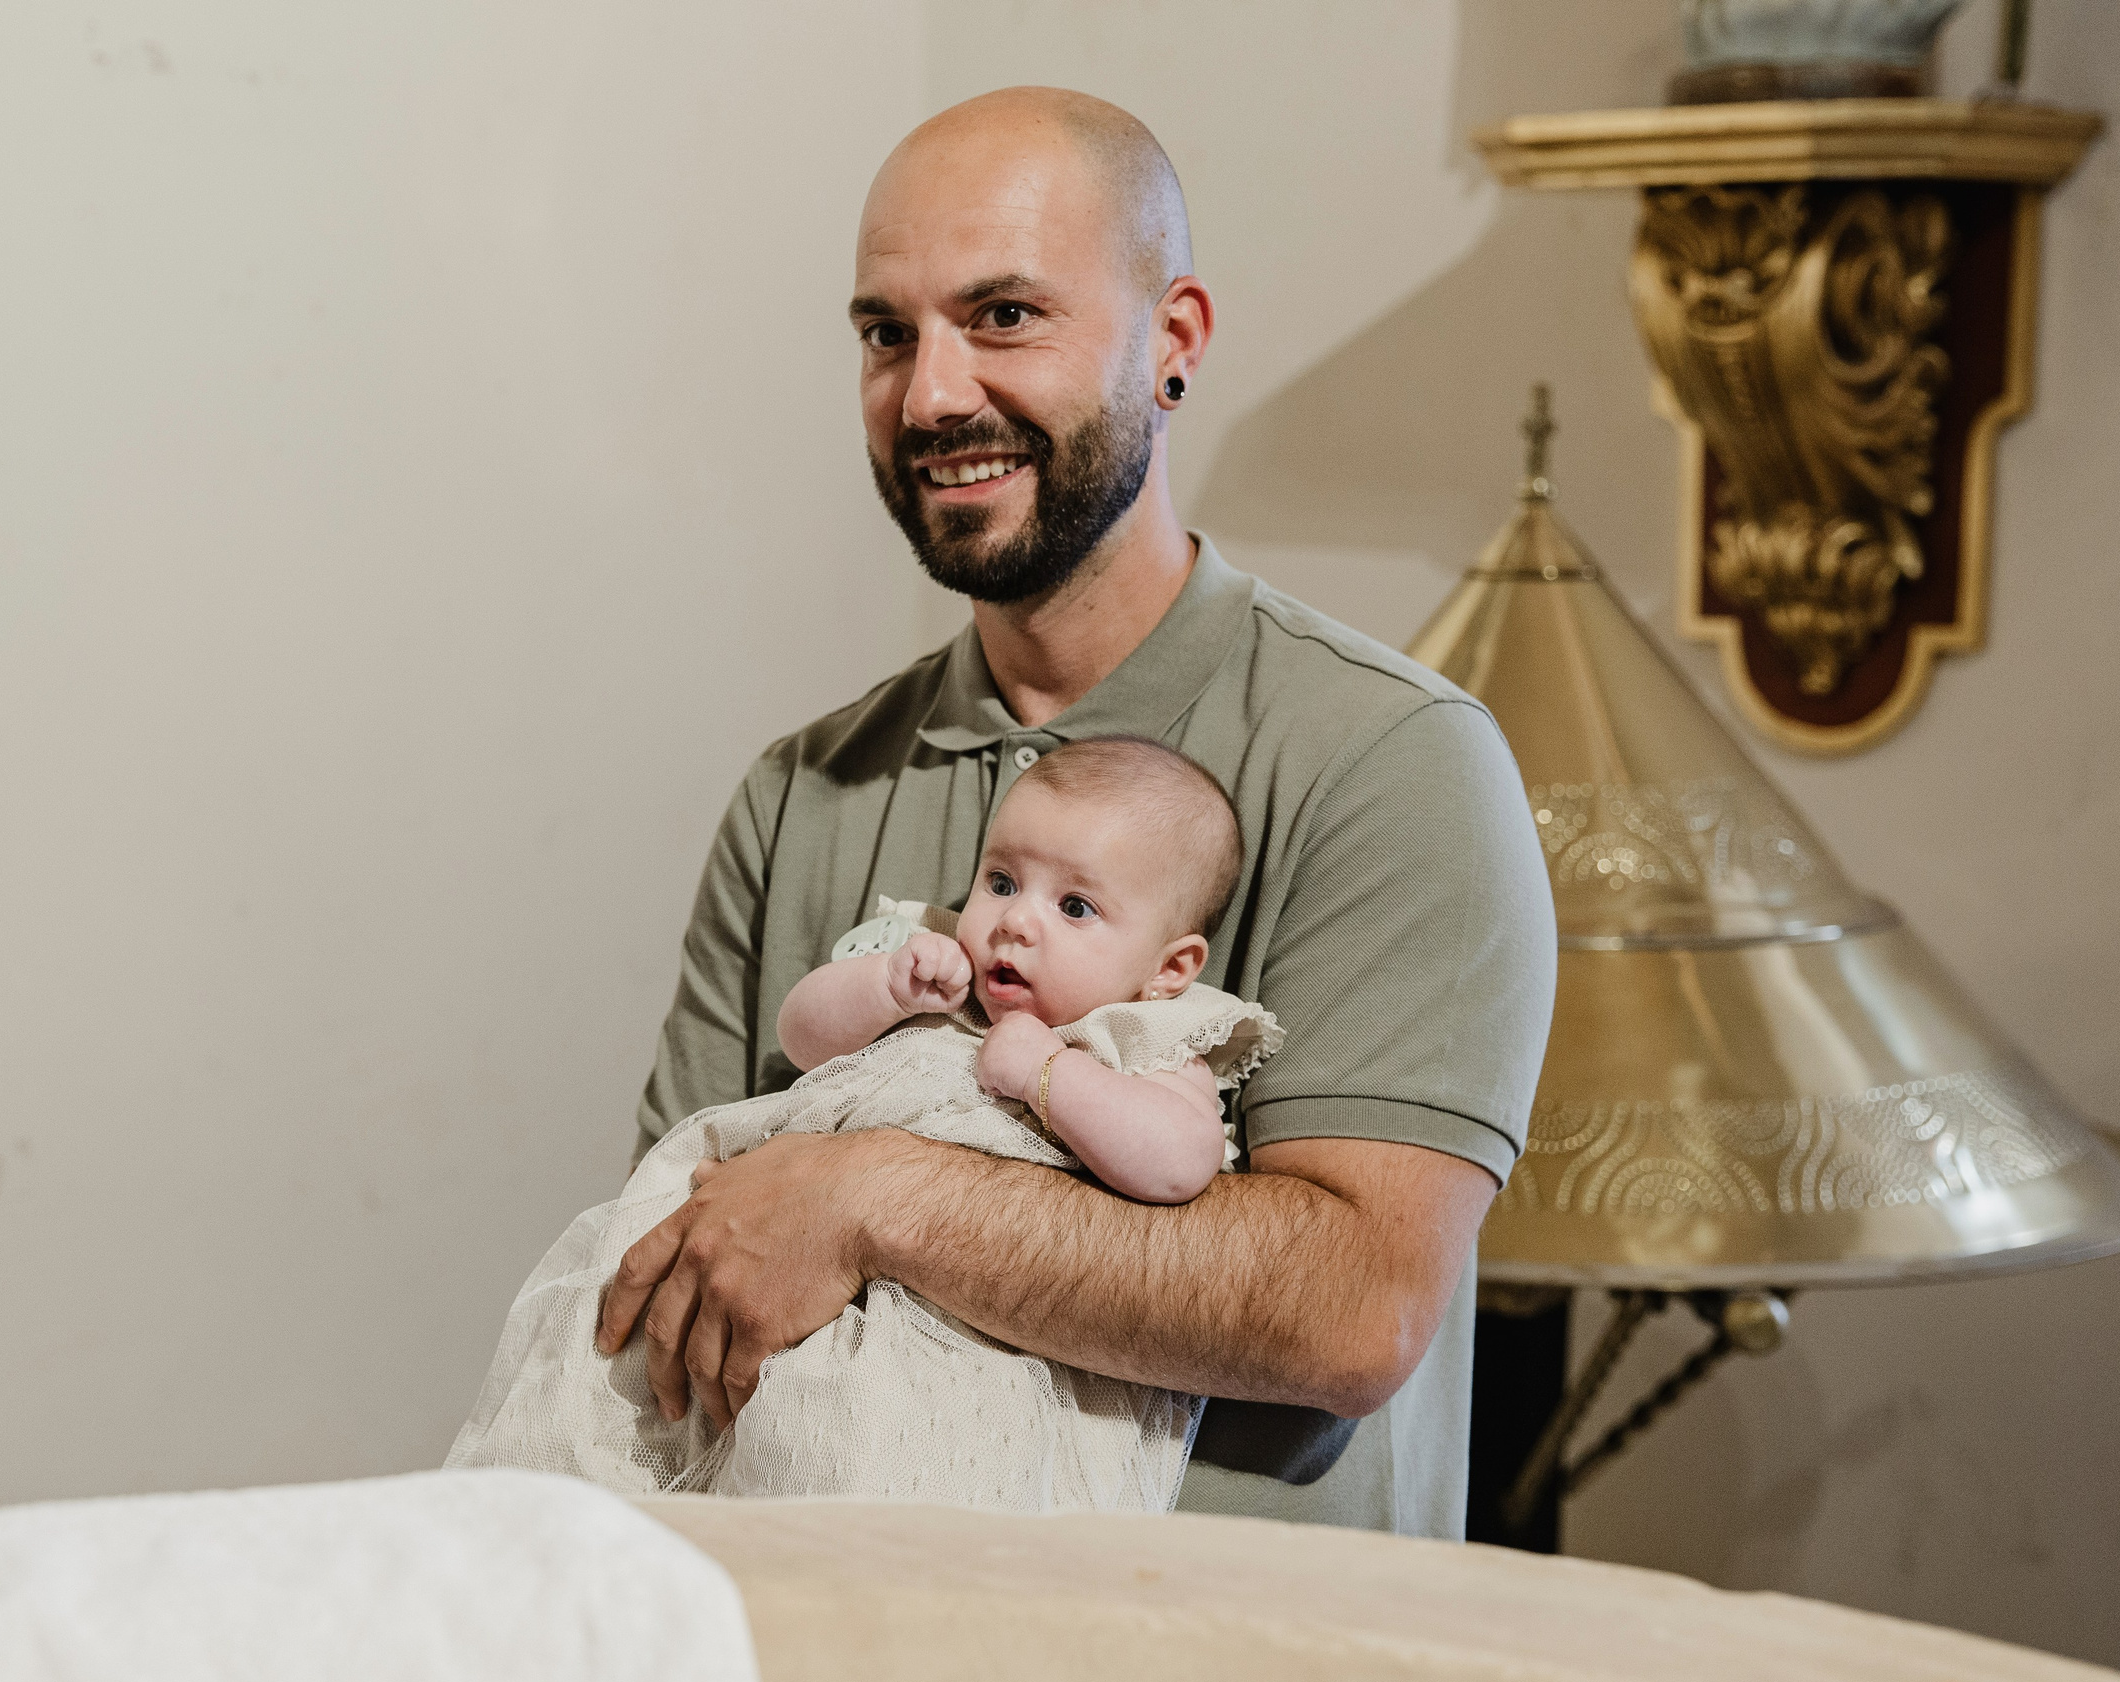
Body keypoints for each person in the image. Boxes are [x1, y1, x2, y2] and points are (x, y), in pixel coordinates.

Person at [595, 86, 1557, 1536]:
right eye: (886, 333)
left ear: (1171, 342)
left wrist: (866, 1199)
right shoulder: (803, 791)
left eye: (1003, 316)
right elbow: (687, 1259)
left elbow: (1350, 1307)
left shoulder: (1394, 761)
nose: (931, 395)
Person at [447, 738, 1281, 1511]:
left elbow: (1180, 1162)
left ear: (1170, 968)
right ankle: (536, 1510)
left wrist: (1049, 1074)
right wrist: (885, 986)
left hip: (964, 1341)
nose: (1017, 920)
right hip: (773, 1266)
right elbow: (799, 1035)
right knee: (584, 1382)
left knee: (855, 1463)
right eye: (1001, 880)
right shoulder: (932, 961)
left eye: (1074, 906)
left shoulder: (1149, 1039)